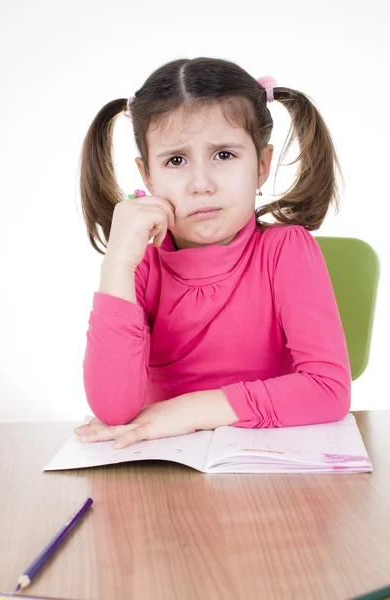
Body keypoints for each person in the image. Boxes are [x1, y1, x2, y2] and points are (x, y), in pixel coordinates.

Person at [74, 56, 351, 450]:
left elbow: (328, 390)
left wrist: (185, 412)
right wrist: (116, 264)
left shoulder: (285, 251)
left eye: (224, 155)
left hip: (273, 471)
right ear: (147, 177)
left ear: (261, 165)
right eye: (176, 160)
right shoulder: (141, 266)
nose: (200, 184)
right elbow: (113, 410)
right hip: (164, 468)